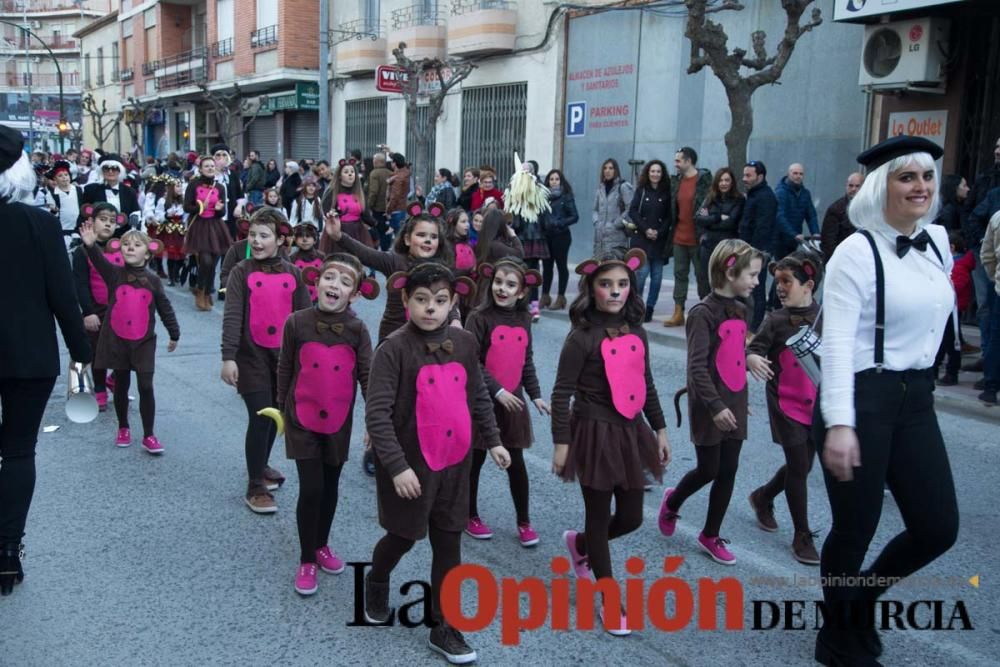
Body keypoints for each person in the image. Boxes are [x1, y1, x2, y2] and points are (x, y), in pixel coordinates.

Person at [814, 136, 958, 665]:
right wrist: (841, 423)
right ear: (882, 187)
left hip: (916, 396)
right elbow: (834, 345)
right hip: (861, 396)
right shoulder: (856, 250)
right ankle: (835, 635)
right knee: (855, 528)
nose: (920, 187)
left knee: (937, 526)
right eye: (906, 177)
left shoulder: (938, 240)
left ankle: (861, 599)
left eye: (926, 176)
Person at [362, 262, 510, 664]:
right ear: (406, 300)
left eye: (440, 301)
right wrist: (396, 466)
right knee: (404, 536)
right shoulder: (393, 349)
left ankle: (443, 624)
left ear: (453, 302)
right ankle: (376, 580)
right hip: (411, 466)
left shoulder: (463, 345)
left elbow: (478, 394)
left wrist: (493, 441)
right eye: (422, 300)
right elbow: (377, 414)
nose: (431, 309)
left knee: (449, 542)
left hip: (456, 464)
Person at [551, 249, 670, 635]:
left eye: (621, 284)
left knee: (633, 517)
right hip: (593, 430)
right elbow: (560, 393)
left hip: (632, 432)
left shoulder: (637, 331)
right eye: (606, 285)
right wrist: (561, 443)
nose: (615, 292)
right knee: (600, 516)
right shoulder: (581, 337)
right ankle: (608, 597)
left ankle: (580, 544)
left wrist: (661, 429)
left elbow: (646, 382)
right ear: (592, 288)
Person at [0, 129, 91, 596]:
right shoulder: (38, 225)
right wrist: (82, 352)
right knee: (17, 450)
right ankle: (7, 552)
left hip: (27, 357)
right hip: (28, 355)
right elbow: (63, 296)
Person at [276, 253, 378, 595]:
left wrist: (374, 423)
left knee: (331, 486)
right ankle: (306, 558)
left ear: (355, 294)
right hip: (300, 417)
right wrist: (281, 411)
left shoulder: (358, 329)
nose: (335, 285)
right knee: (312, 488)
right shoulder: (296, 322)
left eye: (345, 282)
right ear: (316, 282)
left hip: (338, 421)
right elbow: (285, 369)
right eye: (329, 277)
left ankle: (322, 544)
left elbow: (368, 378)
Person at [658, 239, 763, 566]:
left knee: (728, 469)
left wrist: (747, 360)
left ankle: (710, 534)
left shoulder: (743, 307)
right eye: (752, 275)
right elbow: (697, 368)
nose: (757, 282)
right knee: (709, 469)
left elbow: (730, 351)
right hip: (709, 403)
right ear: (730, 272)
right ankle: (673, 501)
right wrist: (717, 406)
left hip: (734, 397)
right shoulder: (702, 314)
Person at [221, 208, 312, 514]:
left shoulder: (293, 273)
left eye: (264, 236)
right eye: (252, 235)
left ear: (280, 239)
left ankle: (260, 463)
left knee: (277, 415)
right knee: (261, 416)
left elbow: (304, 317)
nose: (256, 241)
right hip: (250, 358)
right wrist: (228, 357)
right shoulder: (241, 271)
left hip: (283, 359)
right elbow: (233, 316)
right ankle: (255, 485)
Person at [745, 252, 823, 565]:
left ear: (809, 284)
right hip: (784, 401)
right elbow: (755, 348)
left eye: (787, 281)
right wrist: (752, 358)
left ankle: (763, 496)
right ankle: (801, 535)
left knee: (803, 465)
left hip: (818, 403)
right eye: (777, 281)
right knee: (799, 464)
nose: (779, 287)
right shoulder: (775, 320)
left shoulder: (825, 316)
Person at [465, 259, 549, 545]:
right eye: (499, 282)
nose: (502, 288)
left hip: (514, 402)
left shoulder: (524, 318)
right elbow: (471, 362)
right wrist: (498, 391)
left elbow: (525, 360)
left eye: (511, 284)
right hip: (481, 402)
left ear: (522, 291)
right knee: (474, 461)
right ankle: (469, 515)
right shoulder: (479, 317)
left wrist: (535, 394)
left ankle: (524, 522)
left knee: (516, 463)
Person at [79, 222, 180, 454]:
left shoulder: (153, 281)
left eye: (136, 245)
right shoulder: (115, 274)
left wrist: (174, 333)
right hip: (117, 340)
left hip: (143, 342)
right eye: (125, 244)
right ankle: (123, 427)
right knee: (122, 384)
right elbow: (98, 261)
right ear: (118, 248)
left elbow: (165, 308)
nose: (130, 248)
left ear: (148, 251)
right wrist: (91, 245)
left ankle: (149, 434)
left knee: (145, 386)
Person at [72, 203, 124, 412]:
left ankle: (114, 380)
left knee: (124, 352)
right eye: (103, 219)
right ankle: (100, 389)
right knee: (98, 353)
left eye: (112, 222)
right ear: (91, 222)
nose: (108, 225)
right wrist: (88, 312)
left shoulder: (122, 247)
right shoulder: (81, 252)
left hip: (120, 311)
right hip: (96, 310)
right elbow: (80, 285)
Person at [664, 147, 713, 326]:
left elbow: (711, 204)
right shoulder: (676, 181)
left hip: (698, 238)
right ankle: (678, 312)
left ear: (688, 161)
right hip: (679, 237)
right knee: (679, 274)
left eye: (678, 160)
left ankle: (706, 312)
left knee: (702, 276)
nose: (675, 164)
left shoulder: (705, 180)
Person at [183, 155, 231, 311]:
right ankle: (201, 289)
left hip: (216, 226)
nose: (210, 168)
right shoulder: (193, 185)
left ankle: (207, 289)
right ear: (200, 169)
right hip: (199, 225)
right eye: (207, 166)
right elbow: (186, 207)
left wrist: (219, 210)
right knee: (205, 260)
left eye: (212, 166)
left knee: (214, 259)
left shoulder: (220, 187)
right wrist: (199, 207)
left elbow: (222, 211)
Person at [627, 159, 672, 323]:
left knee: (657, 277)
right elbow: (633, 211)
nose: (655, 174)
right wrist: (646, 229)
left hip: (659, 241)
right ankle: (637, 306)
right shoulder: (641, 190)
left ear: (662, 174)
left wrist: (659, 232)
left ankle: (650, 307)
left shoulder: (667, 192)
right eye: (653, 171)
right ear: (648, 172)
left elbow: (669, 216)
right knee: (642, 274)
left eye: (658, 171)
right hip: (642, 238)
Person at [739, 160, 777, 331]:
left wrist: (753, 254)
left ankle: (753, 328)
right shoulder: (753, 194)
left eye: (748, 175)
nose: (744, 178)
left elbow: (762, 228)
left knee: (757, 290)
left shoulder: (766, 197)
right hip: (748, 250)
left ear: (760, 177)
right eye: (744, 174)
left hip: (757, 252)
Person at [695, 167, 744, 300]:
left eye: (727, 180)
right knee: (705, 279)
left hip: (727, 248)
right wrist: (717, 217)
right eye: (721, 180)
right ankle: (705, 307)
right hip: (708, 246)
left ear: (732, 182)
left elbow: (731, 222)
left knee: (725, 281)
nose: (723, 183)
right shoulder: (710, 198)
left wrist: (709, 220)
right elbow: (699, 218)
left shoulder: (739, 200)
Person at [934, 231, 974, 386]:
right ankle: (937, 370)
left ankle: (951, 373)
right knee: (945, 341)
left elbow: (954, 288)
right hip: (949, 308)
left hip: (953, 310)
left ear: (951, 247)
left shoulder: (958, 266)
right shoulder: (953, 264)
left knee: (951, 343)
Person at [539, 169, 578, 311]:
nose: (554, 181)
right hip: (546, 236)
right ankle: (545, 296)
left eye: (556, 179)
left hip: (561, 236)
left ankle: (561, 297)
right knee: (547, 267)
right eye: (551, 179)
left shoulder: (566, 196)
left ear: (561, 181)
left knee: (561, 266)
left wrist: (559, 223)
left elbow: (574, 216)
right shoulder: (542, 197)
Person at [321, 159, 373, 250]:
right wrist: (332, 215)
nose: (350, 174)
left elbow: (366, 214)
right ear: (340, 176)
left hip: (357, 231)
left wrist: (378, 225)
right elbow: (326, 210)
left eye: (352, 172)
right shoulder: (332, 192)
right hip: (339, 231)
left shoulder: (359, 192)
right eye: (346, 172)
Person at [82, 152, 140, 231]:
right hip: (98, 235)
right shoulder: (91, 190)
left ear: (120, 171)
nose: (110, 171)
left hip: (122, 236)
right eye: (106, 168)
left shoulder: (129, 192)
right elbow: (84, 215)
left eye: (114, 168)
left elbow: (135, 212)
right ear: (102, 171)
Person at [773, 163, 819, 261]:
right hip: (780, 239)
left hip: (794, 240)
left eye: (801, 174)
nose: (798, 176)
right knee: (782, 267)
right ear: (788, 174)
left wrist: (815, 232)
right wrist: (793, 234)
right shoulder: (781, 192)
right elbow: (780, 216)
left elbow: (811, 215)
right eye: (795, 173)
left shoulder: (805, 194)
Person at [979, 210, 1000, 405]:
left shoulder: (997, 217)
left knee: (996, 338)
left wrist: (995, 279)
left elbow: (987, 255)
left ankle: (991, 387)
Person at [591, 158, 633, 257]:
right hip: (600, 240)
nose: (607, 171)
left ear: (616, 170)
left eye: (611, 168)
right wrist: (597, 222)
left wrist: (616, 223)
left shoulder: (623, 187)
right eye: (605, 168)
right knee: (599, 270)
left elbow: (631, 209)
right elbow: (594, 210)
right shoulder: (600, 188)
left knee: (614, 270)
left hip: (616, 240)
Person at [820, 172, 864, 263]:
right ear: (846, 186)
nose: (853, 189)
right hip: (841, 260)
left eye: (857, 186)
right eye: (850, 186)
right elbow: (828, 242)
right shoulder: (835, 209)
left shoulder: (868, 209)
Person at [42, 160, 82, 247]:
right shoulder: (52, 194)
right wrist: (53, 210)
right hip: (62, 230)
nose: (64, 178)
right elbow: (51, 214)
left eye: (66, 175)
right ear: (55, 179)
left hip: (78, 229)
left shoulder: (78, 190)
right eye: (60, 176)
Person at [290, 224, 325, 302]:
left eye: (308, 236)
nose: (304, 239)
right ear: (295, 240)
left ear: (315, 240)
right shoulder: (292, 258)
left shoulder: (322, 257)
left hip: (319, 296)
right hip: (299, 296)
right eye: (300, 237)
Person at [367, 153, 391, 249]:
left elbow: (374, 191)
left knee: (377, 229)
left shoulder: (374, 173)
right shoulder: (390, 173)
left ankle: (377, 251)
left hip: (377, 207)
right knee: (387, 229)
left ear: (376, 162)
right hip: (389, 207)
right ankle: (386, 249)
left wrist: (369, 205)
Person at [386, 153, 411, 242]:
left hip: (395, 209)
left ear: (394, 163)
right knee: (399, 234)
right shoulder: (405, 173)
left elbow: (394, 196)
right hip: (402, 207)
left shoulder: (398, 178)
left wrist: (388, 211)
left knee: (397, 237)